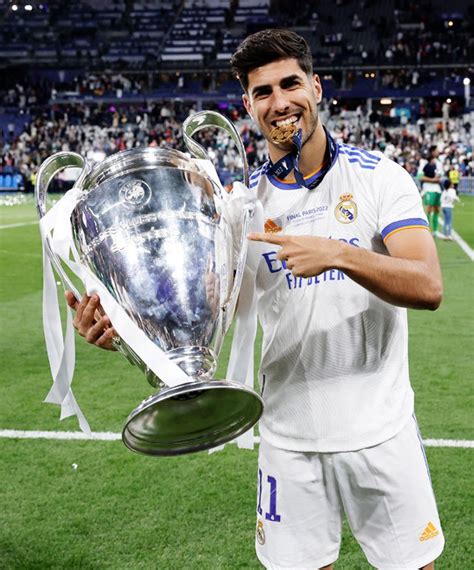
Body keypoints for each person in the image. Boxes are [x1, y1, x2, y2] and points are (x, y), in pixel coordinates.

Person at [67, 29, 444, 570]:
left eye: (290, 84)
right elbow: (203, 320)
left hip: (380, 430)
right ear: (248, 105)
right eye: (263, 92)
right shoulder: (237, 208)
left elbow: (427, 285)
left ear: (316, 87)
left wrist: (338, 253)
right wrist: (127, 330)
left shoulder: (379, 178)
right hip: (287, 437)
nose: (280, 102)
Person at [420, 154, 442, 236]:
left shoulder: (437, 166)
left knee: (436, 209)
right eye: (433, 159)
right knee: (429, 208)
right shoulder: (425, 166)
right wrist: (432, 180)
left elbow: (439, 176)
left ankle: (435, 230)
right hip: (428, 189)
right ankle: (427, 229)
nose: (434, 161)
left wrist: (437, 178)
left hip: (437, 190)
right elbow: (420, 176)